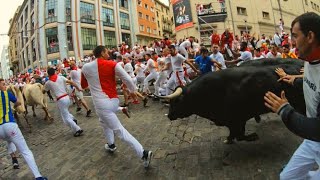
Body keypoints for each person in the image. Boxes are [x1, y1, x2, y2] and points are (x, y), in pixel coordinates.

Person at [264, 12, 320, 179]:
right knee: (287, 178)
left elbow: (317, 128)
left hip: (316, 133)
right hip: (312, 141)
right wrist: (294, 81)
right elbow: (312, 82)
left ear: (310, 36)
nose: (290, 42)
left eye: (294, 36)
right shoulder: (310, 58)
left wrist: (284, 110)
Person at [81, 45, 152, 168]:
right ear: (102, 53)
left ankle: (143, 153)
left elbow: (83, 85)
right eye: (107, 52)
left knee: (119, 131)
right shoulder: (113, 64)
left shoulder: (85, 67)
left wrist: (94, 85)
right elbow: (127, 79)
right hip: (114, 101)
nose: (109, 53)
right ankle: (111, 144)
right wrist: (133, 90)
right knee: (103, 121)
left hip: (102, 105)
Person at [0, 78, 47, 180]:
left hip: (0, 129)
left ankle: (14, 160)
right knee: (26, 151)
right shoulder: (6, 94)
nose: (5, 86)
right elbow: (18, 103)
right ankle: (38, 176)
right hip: (10, 125)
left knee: (9, 140)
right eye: (3, 84)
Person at [44, 68, 84, 137]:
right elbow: (71, 82)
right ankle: (73, 118)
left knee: (65, 118)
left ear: (48, 74)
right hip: (67, 97)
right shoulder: (61, 77)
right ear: (54, 72)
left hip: (60, 100)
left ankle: (77, 129)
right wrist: (78, 88)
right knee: (65, 112)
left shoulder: (48, 83)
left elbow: (44, 90)